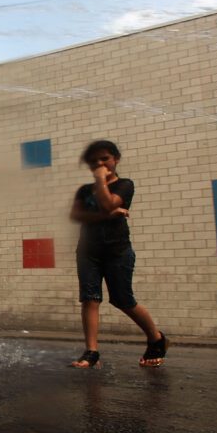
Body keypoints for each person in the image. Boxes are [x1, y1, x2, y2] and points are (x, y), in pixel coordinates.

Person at [69, 140, 167, 368]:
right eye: (94, 161)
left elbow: (107, 203)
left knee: (123, 300)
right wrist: (109, 215)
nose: (99, 164)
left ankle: (156, 338)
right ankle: (91, 352)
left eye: (104, 159)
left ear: (116, 159)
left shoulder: (125, 184)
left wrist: (101, 180)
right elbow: (77, 216)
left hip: (117, 251)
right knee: (89, 299)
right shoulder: (84, 191)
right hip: (87, 251)